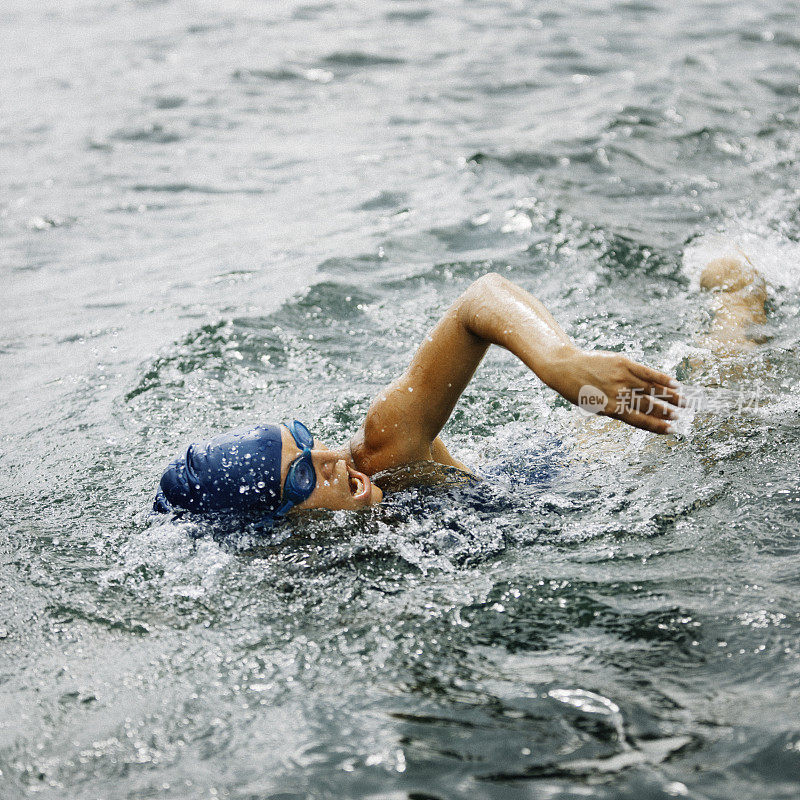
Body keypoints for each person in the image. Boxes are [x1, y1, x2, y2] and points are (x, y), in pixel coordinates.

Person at [154, 256, 766, 523]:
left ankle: (738, 296)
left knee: (715, 417)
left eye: (304, 441)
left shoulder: (382, 454)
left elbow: (481, 301)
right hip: (527, 493)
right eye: (301, 477)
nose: (331, 461)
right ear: (270, 525)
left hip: (564, 479)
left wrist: (562, 365)